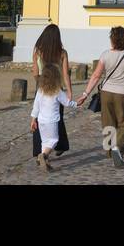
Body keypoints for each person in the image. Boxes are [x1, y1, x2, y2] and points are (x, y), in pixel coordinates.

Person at [76, 26, 124, 169]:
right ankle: (117, 147)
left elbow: (95, 76)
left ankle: (110, 152)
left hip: (107, 94)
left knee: (108, 123)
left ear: (113, 40)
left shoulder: (105, 55)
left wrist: (85, 94)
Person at [31, 24, 71, 156]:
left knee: (39, 118)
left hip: (42, 87)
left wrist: (41, 83)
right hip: (57, 89)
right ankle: (59, 145)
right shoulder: (62, 53)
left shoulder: (37, 51)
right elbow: (65, 74)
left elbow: (35, 72)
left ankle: (39, 150)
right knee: (57, 118)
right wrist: (69, 92)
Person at [30, 62, 77, 172]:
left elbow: (36, 106)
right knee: (53, 141)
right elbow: (66, 103)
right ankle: (44, 156)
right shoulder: (57, 90)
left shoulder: (40, 90)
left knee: (44, 141)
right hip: (52, 121)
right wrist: (77, 104)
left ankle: (44, 162)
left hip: (41, 121)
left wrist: (33, 119)